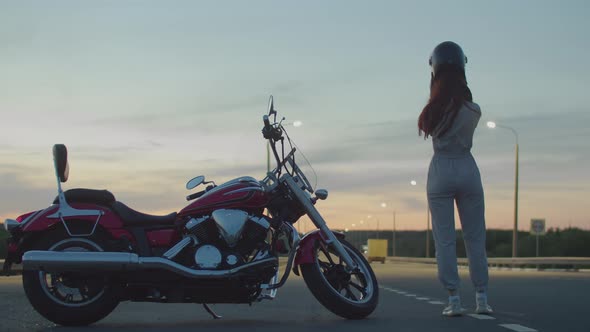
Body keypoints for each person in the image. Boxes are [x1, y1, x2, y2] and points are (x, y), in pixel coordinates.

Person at [418, 41, 493, 317]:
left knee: (445, 240)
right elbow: (466, 100)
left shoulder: (431, 111)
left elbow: (433, 119)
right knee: (476, 238)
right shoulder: (474, 110)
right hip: (467, 168)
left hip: (440, 171)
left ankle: (454, 300)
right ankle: (482, 298)